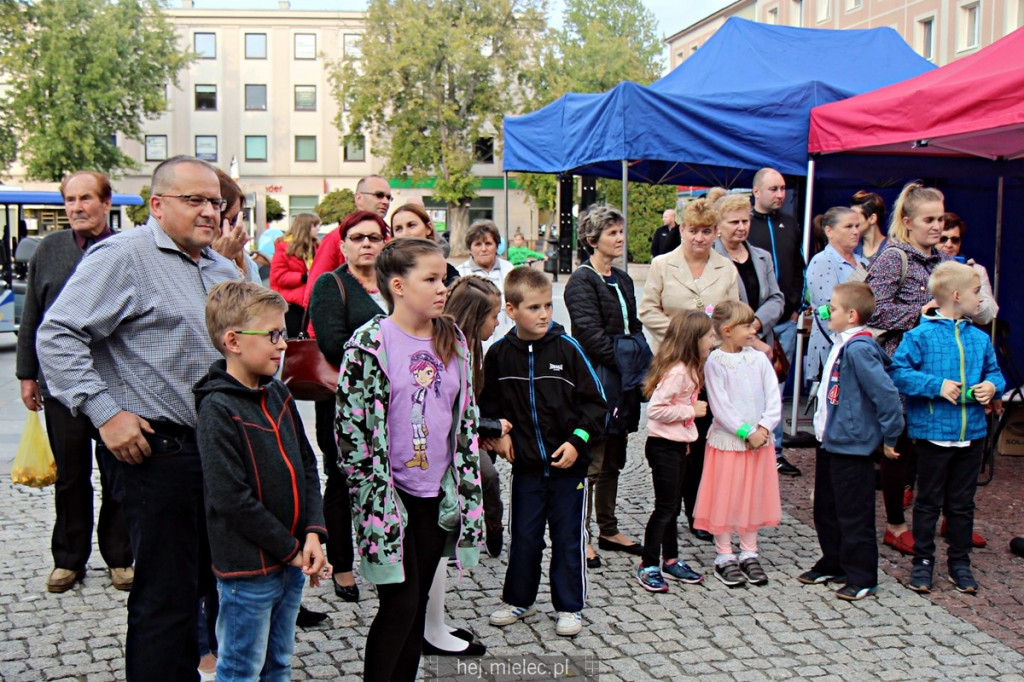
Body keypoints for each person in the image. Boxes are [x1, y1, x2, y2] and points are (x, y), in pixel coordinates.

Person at [36, 156, 241, 681]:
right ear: (157, 204)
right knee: (165, 599)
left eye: (215, 201)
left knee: (209, 585)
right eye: (193, 200)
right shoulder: (123, 257)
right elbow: (57, 336)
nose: (209, 211)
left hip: (218, 452)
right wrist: (106, 415)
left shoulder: (219, 267)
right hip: (159, 454)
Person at [336, 238, 482, 681]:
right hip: (389, 499)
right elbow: (350, 433)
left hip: (436, 494)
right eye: (431, 279)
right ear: (398, 285)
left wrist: (465, 485)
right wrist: (370, 493)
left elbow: (465, 417)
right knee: (398, 605)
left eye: (445, 278)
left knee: (416, 605)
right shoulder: (369, 344)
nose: (443, 288)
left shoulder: (452, 337)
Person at [194, 281, 328, 680]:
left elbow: (307, 467)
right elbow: (230, 498)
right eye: (272, 335)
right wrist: (291, 549)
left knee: (279, 664)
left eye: (283, 333)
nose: (283, 345)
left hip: (291, 562)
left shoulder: (278, 393)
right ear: (233, 341)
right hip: (248, 571)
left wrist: (313, 534)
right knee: (240, 668)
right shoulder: (218, 408)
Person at [16, 170, 133, 594]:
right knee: (70, 477)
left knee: (119, 474)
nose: (77, 207)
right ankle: (68, 559)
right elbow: (34, 314)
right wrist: (27, 373)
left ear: (106, 203)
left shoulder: (126, 248)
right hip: (60, 386)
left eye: (86, 198)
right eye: (70, 200)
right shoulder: (50, 250)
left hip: (116, 385)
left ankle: (121, 557)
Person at [480, 267, 607, 638]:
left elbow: (597, 405)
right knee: (524, 536)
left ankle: (569, 606)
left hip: (570, 468)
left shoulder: (568, 350)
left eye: (548, 306)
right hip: (528, 470)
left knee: (569, 539)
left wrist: (577, 441)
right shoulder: (500, 356)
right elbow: (488, 408)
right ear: (510, 309)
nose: (544, 314)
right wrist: (498, 436)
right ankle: (519, 599)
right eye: (534, 307)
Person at [889, 262, 1005, 594]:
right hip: (933, 434)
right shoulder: (919, 336)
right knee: (927, 501)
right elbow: (898, 373)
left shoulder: (979, 339)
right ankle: (923, 561)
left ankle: (959, 563)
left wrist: (992, 387)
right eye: (976, 292)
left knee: (962, 503)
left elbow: (995, 372)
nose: (980, 299)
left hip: (972, 435)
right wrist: (936, 385)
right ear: (956, 295)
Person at [639, 198, 739, 541]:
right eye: (693, 230)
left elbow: (733, 313)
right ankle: (668, 506)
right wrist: (681, 337)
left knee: (701, 438)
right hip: (674, 361)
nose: (699, 238)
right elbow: (647, 310)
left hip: (711, 363)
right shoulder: (663, 264)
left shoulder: (726, 268)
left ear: (716, 233)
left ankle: (697, 510)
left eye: (707, 231)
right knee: (673, 434)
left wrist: (716, 340)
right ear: (682, 229)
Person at [797, 282, 904, 601]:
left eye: (835, 307)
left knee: (854, 512)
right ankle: (834, 561)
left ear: (852, 315)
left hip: (852, 445)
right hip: (830, 441)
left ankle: (862, 574)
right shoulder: (840, 342)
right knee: (826, 507)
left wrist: (890, 435)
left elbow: (886, 395)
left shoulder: (859, 349)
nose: (828, 311)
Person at [866, 181, 952, 557]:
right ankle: (895, 524)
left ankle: (949, 517)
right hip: (901, 365)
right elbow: (871, 308)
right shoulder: (893, 258)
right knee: (898, 449)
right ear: (907, 221)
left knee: (937, 444)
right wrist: (918, 315)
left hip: (939, 365)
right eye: (929, 219)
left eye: (940, 218)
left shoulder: (945, 262)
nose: (937, 226)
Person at [308, 210, 390, 604]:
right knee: (342, 482)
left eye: (374, 237)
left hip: (394, 404)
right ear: (343, 245)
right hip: (345, 404)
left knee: (391, 477)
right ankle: (342, 565)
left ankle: (387, 554)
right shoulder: (331, 284)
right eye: (357, 238)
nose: (366, 244)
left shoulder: (395, 284)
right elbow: (332, 344)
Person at [420, 275, 504, 658]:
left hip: (451, 458)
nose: (498, 325)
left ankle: (433, 621)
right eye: (494, 316)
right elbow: (452, 414)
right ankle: (430, 628)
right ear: (476, 317)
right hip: (439, 464)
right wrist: (492, 429)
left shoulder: (463, 348)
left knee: (441, 544)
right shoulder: (450, 350)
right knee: (438, 544)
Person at [566, 204, 649, 567]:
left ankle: (608, 528)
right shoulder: (581, 281)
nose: (620, 238)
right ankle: (578, 534)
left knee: (616, 456)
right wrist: (629, 361)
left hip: (624, 378)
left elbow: (634, 327)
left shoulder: (624, 279)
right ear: (591, 239)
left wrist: (640, 362)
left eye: (620, 231)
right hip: (597, 380)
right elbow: (590, 335)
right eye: (612, 233)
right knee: (593, 460)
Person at [693, 300, 782, 588]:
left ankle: (749, 550)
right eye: (747, 325)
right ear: (728, 330)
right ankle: (724, 554)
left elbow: (773, 396)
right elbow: (721, 407)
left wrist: (765, 427)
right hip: (729, 442)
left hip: (759, 441)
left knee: (751, 495)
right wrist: (746, 431)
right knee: (725, 495)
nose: (752, 329)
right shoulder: (715, 363)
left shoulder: (758, 359)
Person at [635, 310, 714, 593]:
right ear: (693, 340)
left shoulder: (692, 368)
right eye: (709, 336)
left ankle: (670, 559)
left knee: (673, 506)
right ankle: (648, 564)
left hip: (679, 445)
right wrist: (689, 411)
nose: (713, 341)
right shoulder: (679, 372)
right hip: (663, 447)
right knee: (665, 508)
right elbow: (655, 409)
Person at [746, 168, 806, 477]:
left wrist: (796, 307)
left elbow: (799, 267)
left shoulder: (790, 224)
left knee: (776, 388)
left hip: (784, 321)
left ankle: (776, 449)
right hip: (750, 325)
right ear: (756, 191)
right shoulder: (747, 226)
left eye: (783, 188)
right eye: (773, 189)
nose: (780, 194)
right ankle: (748, 442)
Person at [302, 174, 393, 312]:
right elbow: (314, 291)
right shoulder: (335, 237)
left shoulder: (390, 237)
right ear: (358, 198)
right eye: (379, 195)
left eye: (388, 197)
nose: (385, 201)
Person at [712, 193, 784, 353]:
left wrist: (755, 324)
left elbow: (776, 298)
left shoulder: (763, 257)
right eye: (734, 222)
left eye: (745, 221)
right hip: (724, 346)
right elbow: (711, 307)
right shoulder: (709, 258)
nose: (741, 227)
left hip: (762, 342)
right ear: (718, 226)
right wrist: (743, 332)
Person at [804, 207, 867, 383]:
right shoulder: (822, 261)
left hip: (860, 343)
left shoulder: (864, 262)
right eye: (848, 226)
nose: (856, 231)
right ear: (829, 231)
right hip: (833, 346)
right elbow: (825, 309)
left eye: (857, 226)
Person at [455, 219, 515, 344]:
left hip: (506, 341)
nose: (484, 249)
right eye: (478, 244)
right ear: (470, 248)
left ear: (497, 246)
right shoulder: (460, 274)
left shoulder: (509, 269)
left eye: (488, 243)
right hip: (473, 345)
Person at [939, 213, 998, 325]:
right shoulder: (924, 266)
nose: (949, 244)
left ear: (960, 242)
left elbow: (988, 315)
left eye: (955, 240)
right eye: (943, 239)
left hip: (962, 332)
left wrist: (970, 294)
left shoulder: (976, 270)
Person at [270, 213, 320, 337]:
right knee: (296, 340)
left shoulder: (317, 246)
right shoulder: (284, 248)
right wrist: (303, 277)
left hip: (311, 300)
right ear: (306, 227)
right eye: (315, 225)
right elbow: (279, 276)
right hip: (292, 304)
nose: (318, 229)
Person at [391, 202, 459, 285]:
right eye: (398, 229)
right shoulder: (387, 272)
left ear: (428, 228)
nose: (405, 233)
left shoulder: (449, 274)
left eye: (411, 225)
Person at [213, 167, 261, 283]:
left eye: (235, 220)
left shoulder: (245, 261)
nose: (231, 230)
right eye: (222, 222)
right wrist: (220, 262)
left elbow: (256, 299)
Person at [850, 190, 888, 266]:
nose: (850, 221)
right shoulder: (850, 249)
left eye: (855, 216)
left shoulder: (892, 249)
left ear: (872, 219)